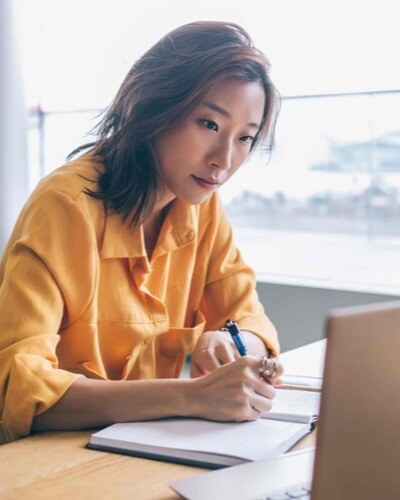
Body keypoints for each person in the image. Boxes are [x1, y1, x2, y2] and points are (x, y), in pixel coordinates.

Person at [0, 21, 284, 444]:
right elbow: (18, 391)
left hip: (143, 452)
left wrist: (234, 344)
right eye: (208, 124)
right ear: (152, 108)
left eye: (245, 137)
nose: (223, 160)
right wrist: (192, 396)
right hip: (52, 461)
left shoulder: (201, 208)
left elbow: (252, 321)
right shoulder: (65, 206)